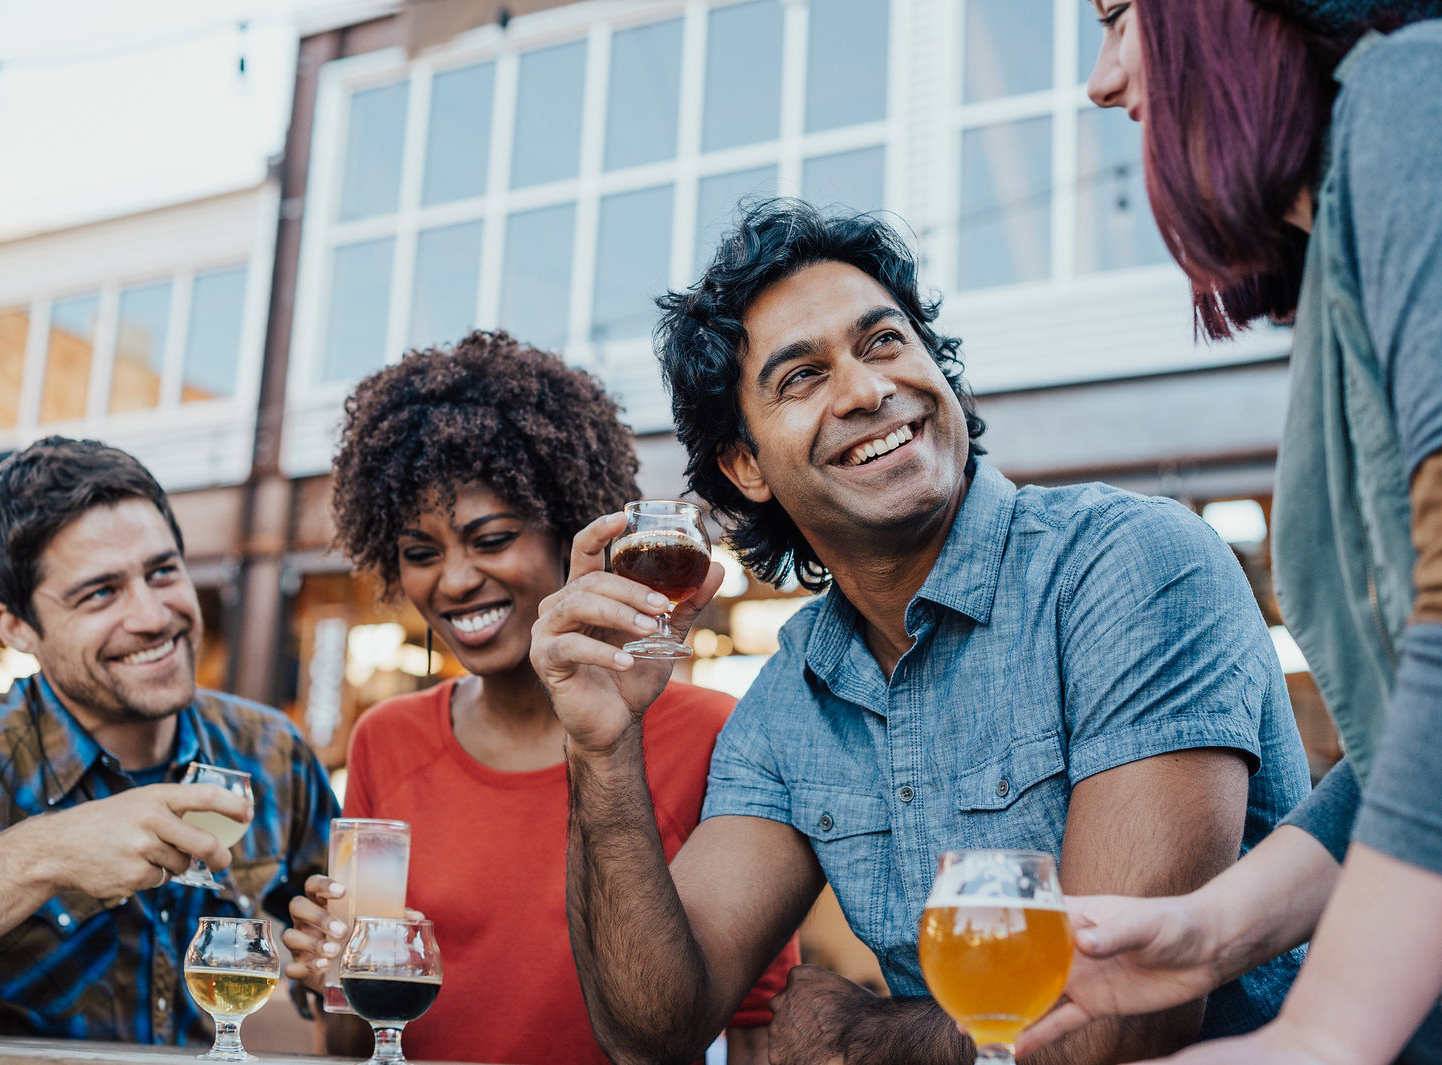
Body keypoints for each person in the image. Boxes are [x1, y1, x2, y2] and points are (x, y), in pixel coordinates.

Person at [528, 198, 1314, 1065]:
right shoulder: (793, 697)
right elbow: (654, 1028)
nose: (867, 390)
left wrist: (872, 1039)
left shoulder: (1130, 565)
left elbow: (1125, 1017)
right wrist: (600, 748)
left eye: (885, 341)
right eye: (801, 377)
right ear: (745, 466)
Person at [1013, 3, 1442, 1064]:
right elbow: (1406, 750)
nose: (1100, 81)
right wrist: (1211, 930)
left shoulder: (1411, 102)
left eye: (1119, 17)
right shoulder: (1345, 230)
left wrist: (1326, 1030)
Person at [279, 330, 798, 1065]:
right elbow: (355, 1042)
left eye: (490, 538)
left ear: (568, 529)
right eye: (421, 553)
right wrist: (332, 977)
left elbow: (753, 1031)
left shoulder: (710, 734)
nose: (454, 580)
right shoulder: (386, 739)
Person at [0, 437, 339, 1042]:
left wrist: (334, 967)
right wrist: (44, 856)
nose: (153, 616)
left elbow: (340, 966)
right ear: (17, 625)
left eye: (163, 572)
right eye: (100, 592)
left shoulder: (272, 751)